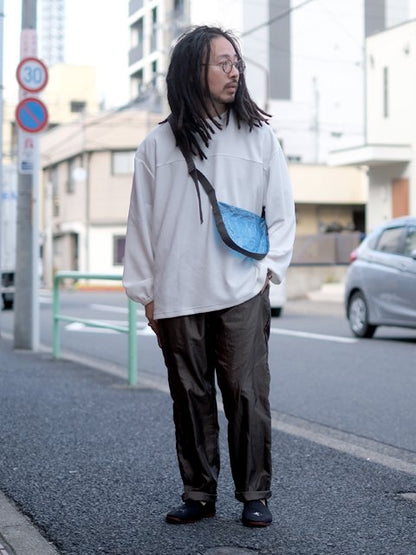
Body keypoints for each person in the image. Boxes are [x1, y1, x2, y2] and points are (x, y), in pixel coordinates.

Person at [123, 25, 296, 527]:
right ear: (191, 70)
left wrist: (268, 272)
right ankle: (198, 493)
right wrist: (147, 294)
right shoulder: (156, 145)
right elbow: (141, 223)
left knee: (246, 393)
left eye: (236, 62)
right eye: (222, 62)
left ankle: (254, 493)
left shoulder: (259, 136)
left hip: (242, 288)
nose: (234, 70)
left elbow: (282, 214)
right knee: (190, 397)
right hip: (177, 293)